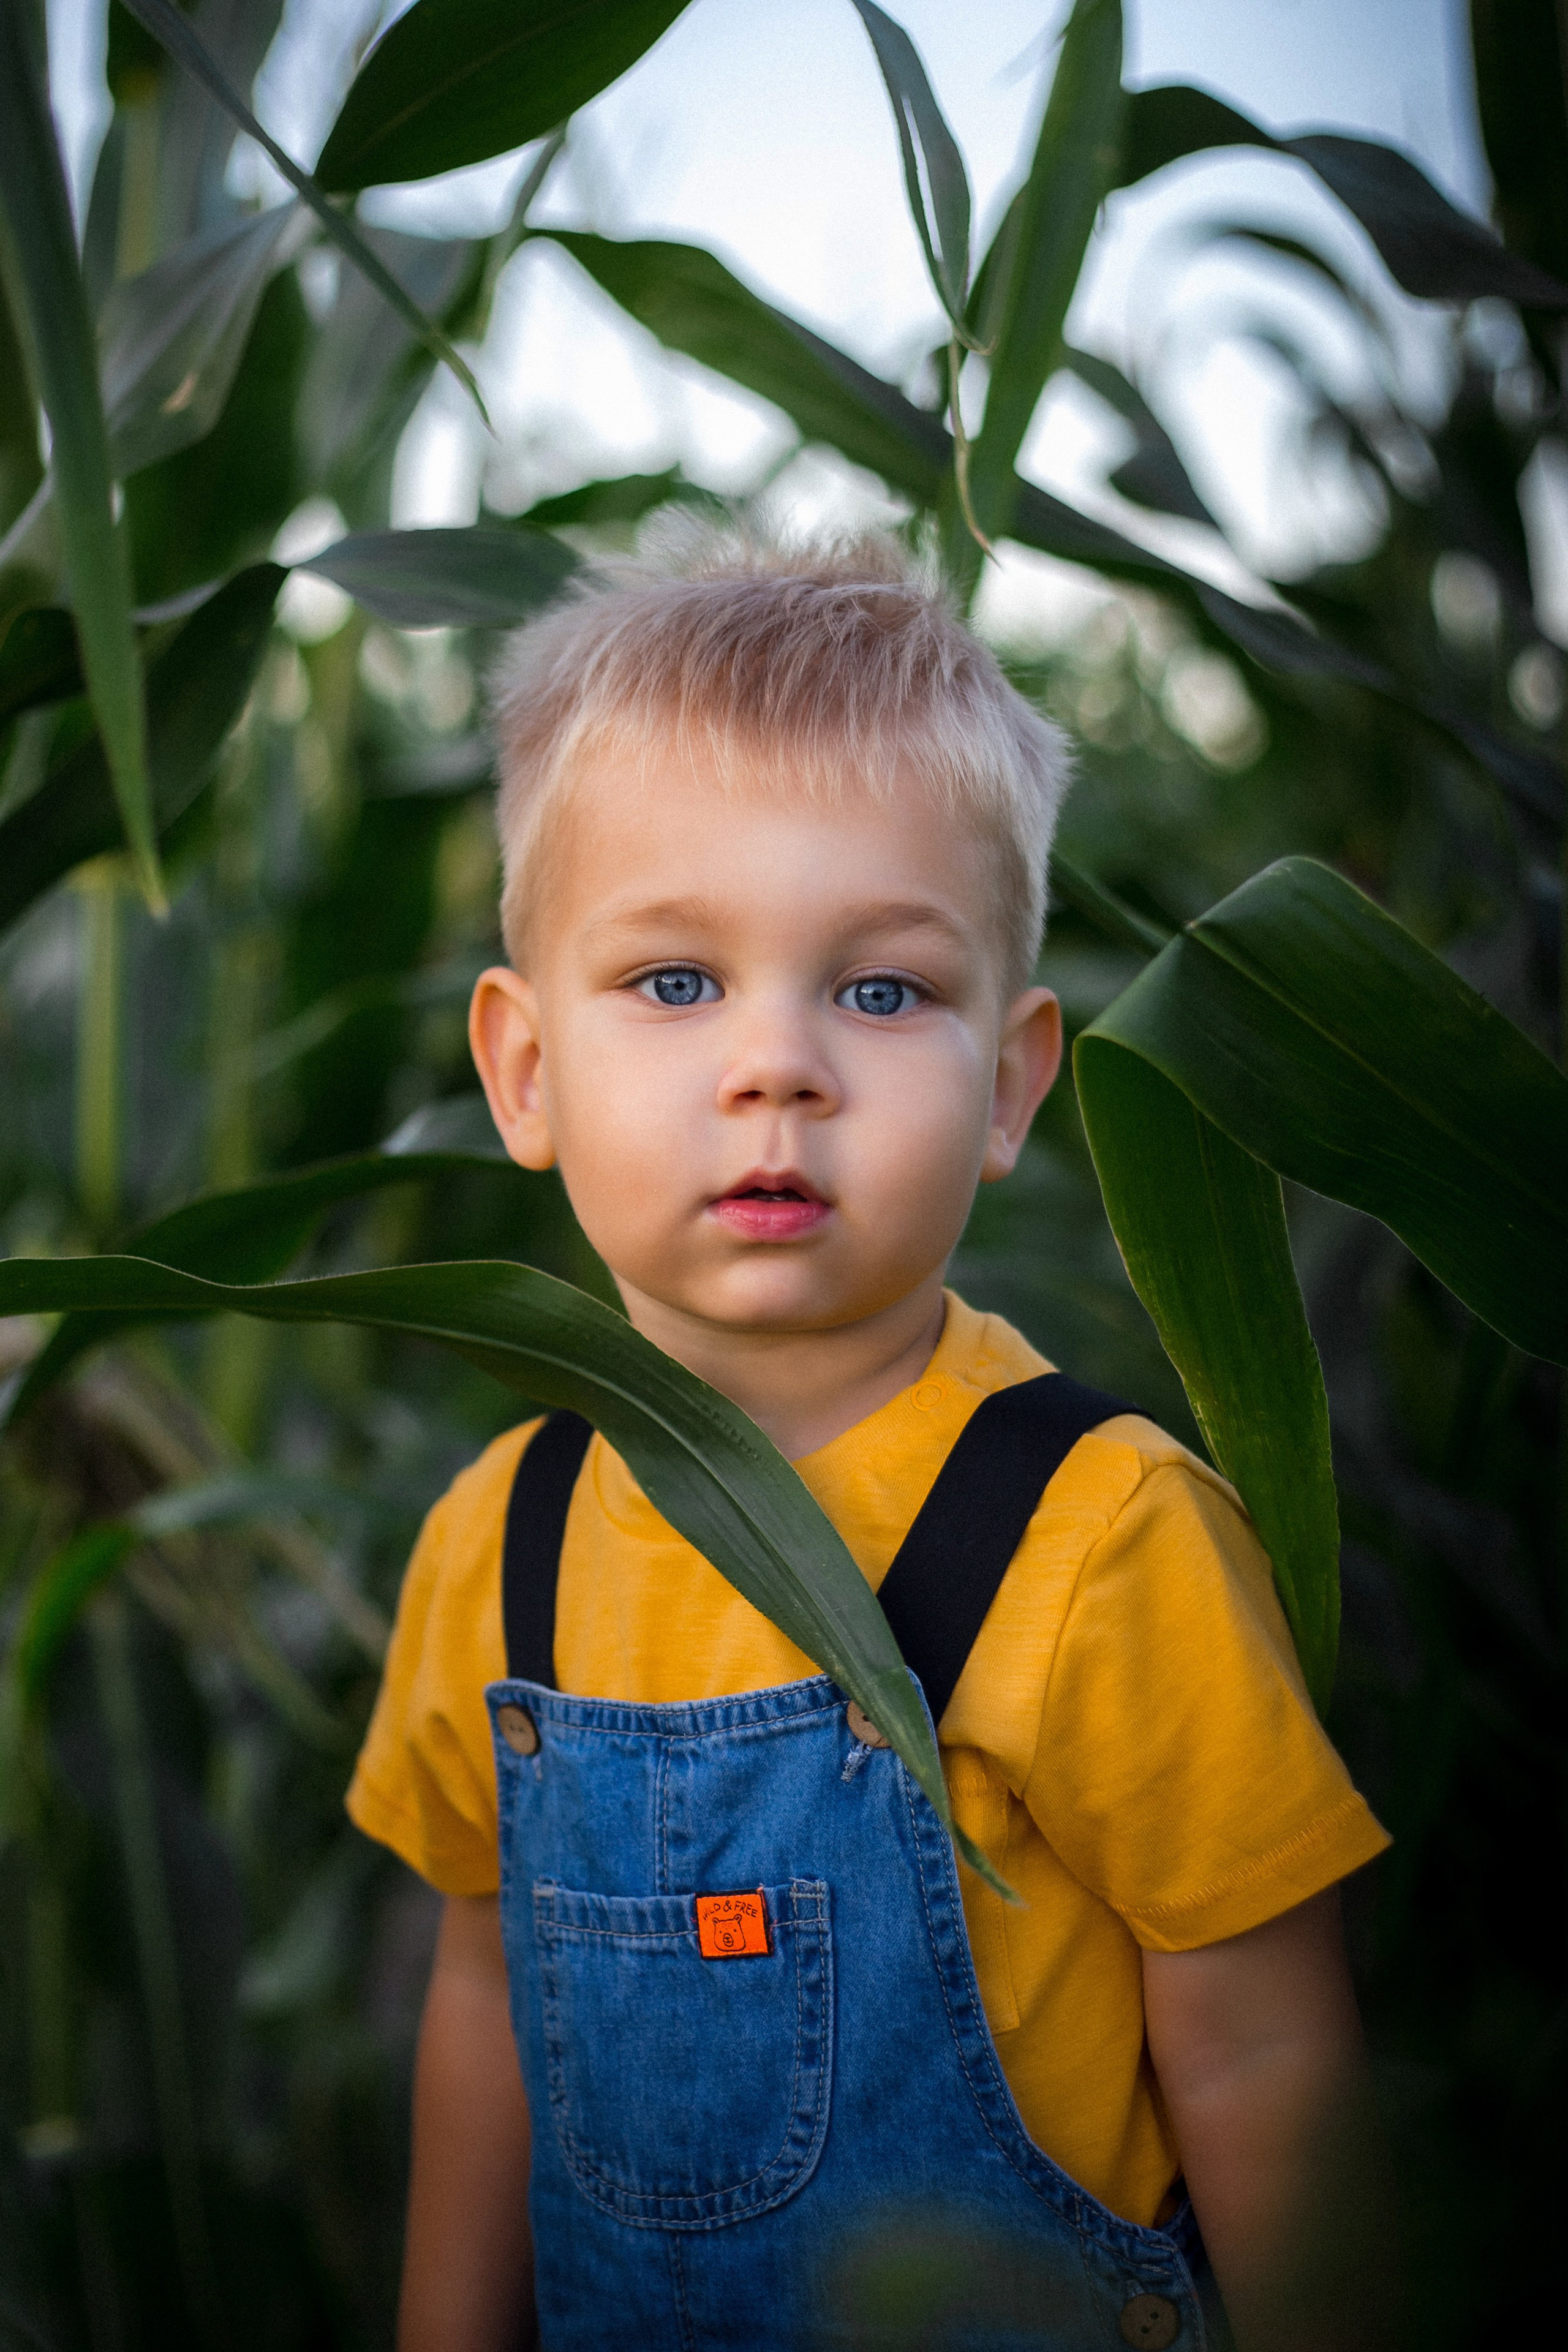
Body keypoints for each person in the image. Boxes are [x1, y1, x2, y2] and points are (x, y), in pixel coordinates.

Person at [348, 526, 1393, 2352]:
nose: (779, 1066)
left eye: (883, 989)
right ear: (523, 1071)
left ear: (1009, 1084)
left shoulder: (1101, 1538)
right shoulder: (499, 1548)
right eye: (677, 982)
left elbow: (1263, 2053)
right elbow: (484, 2000)